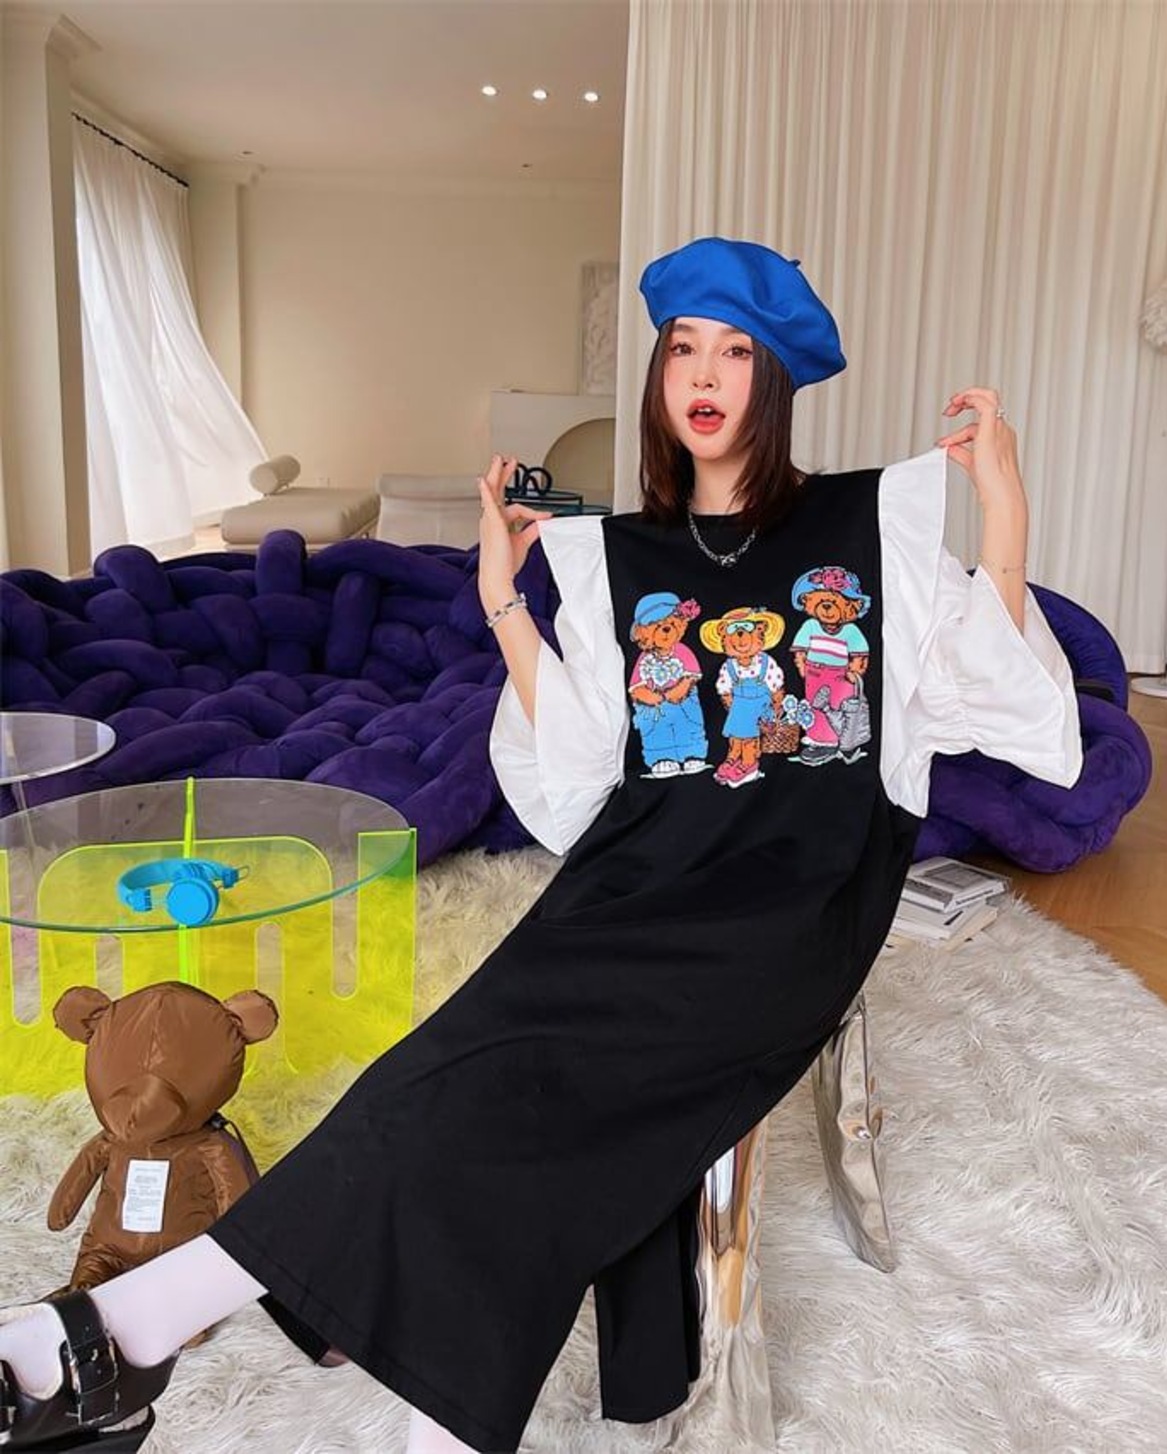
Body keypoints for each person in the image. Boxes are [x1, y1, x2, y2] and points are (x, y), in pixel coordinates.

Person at [0, 237, 1081, 1454]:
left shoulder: (864, 520)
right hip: (635, 876)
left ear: (772, 379)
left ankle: (121, 1331)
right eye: (682, 349)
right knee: (450, 1065)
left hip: (796, 894)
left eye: (735, 352)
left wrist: (1002, 510)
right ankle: (173, 1344)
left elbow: (999, 706)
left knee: (544, 1074)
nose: (702, 374)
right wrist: (503, 597)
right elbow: (576, 768)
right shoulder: (617, 554)